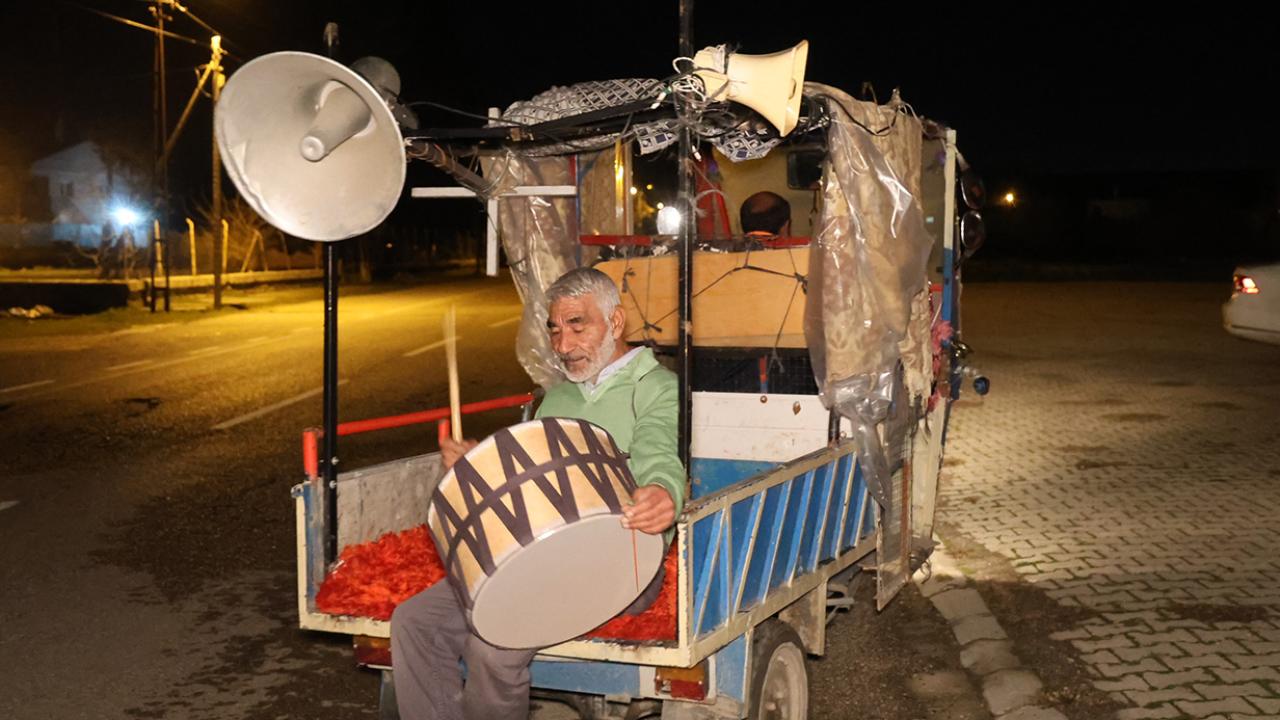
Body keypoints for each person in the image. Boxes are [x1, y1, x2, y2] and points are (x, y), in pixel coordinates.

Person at [390, 267, 686, 720]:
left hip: (619, 562)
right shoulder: (558, 398)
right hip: (540, 551)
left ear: (616, 322)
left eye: (577, 325)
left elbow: (660, 452)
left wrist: (664, 493)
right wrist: (477, 464)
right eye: (554, 329)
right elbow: (525, 482)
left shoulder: (656, 388)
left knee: (494, 648)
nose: (563, 345)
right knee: (414, 623)